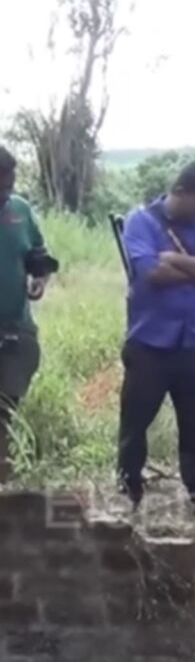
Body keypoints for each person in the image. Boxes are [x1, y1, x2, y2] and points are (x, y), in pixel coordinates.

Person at [118, 162, 195, 515]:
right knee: (135, 421)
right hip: (149, 342)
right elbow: (152, 273)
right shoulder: (140, 222)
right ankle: (128, 487)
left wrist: (175, 258)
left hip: (194, 340)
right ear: (179, 192)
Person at [0, 147, 56, 485]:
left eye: (8, 186)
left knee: (5, 409)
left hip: (16, 328)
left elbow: (38, 256)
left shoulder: (20, 209)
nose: (5, 194)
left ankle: (3, 487)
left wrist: (40, 279)